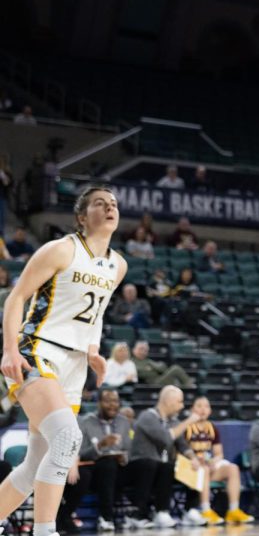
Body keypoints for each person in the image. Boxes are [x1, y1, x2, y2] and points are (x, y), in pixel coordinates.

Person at [0, 185, 125, 536]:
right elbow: (16, 298)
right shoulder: (61, 249)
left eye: (113, 203)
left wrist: (94, 350)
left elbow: (96, 313)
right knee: (68, 439)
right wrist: (10, 349)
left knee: (34, 464)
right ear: (82, 217)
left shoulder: (118, 265)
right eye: (100, 203)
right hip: (37, 350)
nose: (109, 207)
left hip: (74, 364)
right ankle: (45, 532)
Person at [128, 386, 200, 529]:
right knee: (156, 465)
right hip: (139, 466)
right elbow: (165, 438)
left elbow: (182, 445)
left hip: (160, 467)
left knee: (191, 466)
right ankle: (141, 514)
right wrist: (187, 422)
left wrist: (193, 458)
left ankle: (188, 510)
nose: (182, 406)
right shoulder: (148, 416)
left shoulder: (173, 421)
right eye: (179, 402)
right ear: (168, 401)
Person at [59, 388, 130, 533]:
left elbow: (129, 449)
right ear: (98, 403)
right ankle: (106, 517)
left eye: (115, 401)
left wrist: (124, 457)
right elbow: (80, 453)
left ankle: (138, 514)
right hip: (96, 468)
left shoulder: (124, 422)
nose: (112, 405)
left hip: (120, 468)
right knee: (106, 467)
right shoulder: (86, 422)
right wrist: (100, 446)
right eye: (107, 401)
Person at [181, 396, 254, 525]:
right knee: (203, 469)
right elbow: (180, 451)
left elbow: (219, 453)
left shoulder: (212, 428)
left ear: (210, 410)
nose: (203, 409)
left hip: (208, 468)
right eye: (199, 406)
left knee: (233, 469)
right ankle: (206, 510)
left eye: (206, 406)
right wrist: (196, 460)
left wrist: (214, 461)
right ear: (192, 409)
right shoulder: (186, 427)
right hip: (191, 469)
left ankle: (233, 510)